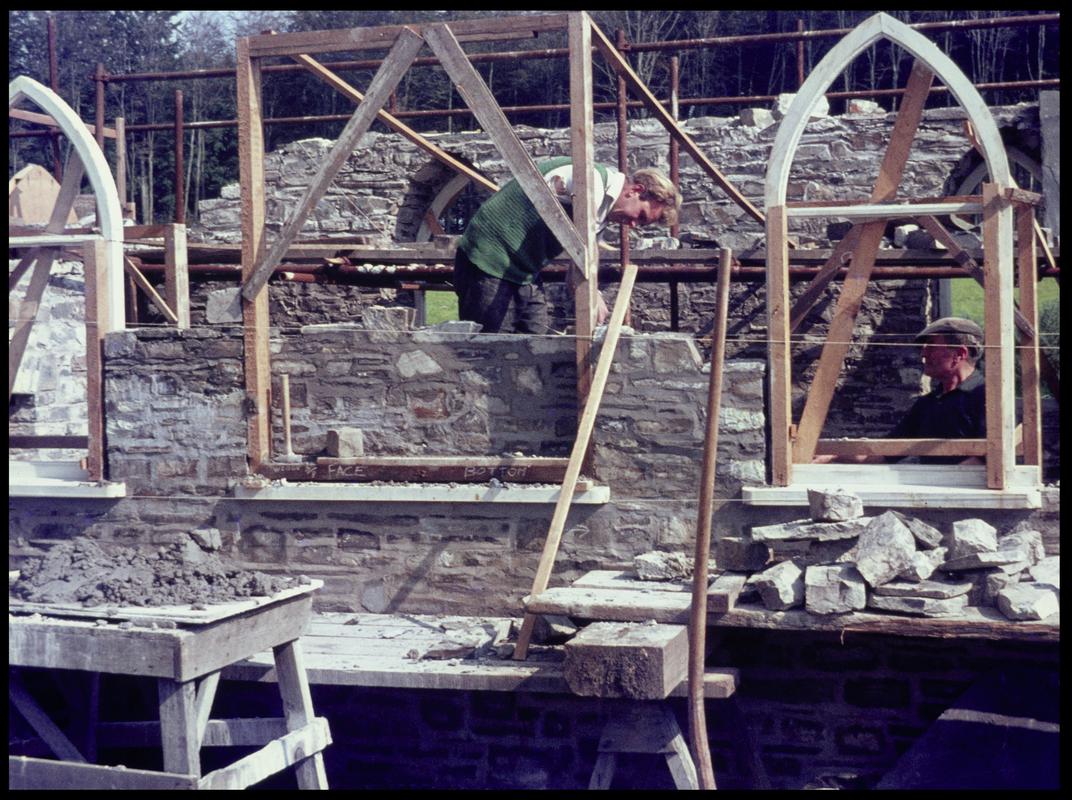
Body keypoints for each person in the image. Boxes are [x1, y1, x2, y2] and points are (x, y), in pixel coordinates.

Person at [452, 156, 681, 334]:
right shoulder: (588, 180)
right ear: (635, 191)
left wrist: (592, 297)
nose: (632, 224)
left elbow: (579, 264)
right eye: (640, 216)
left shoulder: (600, 211)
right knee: (491, 348)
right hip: (488, 259)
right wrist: (594, 296)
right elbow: (583, 254)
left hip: (522, 269)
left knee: (534, 336)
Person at [813, 316, 986, 464]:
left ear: (960, 354)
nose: (923, 355)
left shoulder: (987, 398)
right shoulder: (927, 405)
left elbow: (990, 459)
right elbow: (885, 451)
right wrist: (833, 454)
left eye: (931, 346)